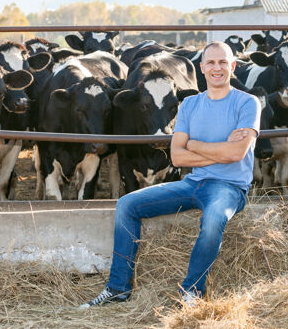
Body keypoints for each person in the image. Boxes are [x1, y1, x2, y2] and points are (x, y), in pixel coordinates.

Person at [79, 41, 261, 308]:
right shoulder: (188, 105)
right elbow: (177, 156)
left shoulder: (248, 102)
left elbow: (236, 155)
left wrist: (195, 145)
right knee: (127, 204)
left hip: (229, 187)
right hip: (193, 183)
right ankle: (117, 288)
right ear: (202, 68)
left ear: (233, 66)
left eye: (223, 62)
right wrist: (221, 147)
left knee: (213, 220)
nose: (217, 68)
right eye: (211, 63)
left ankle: (191, 293)